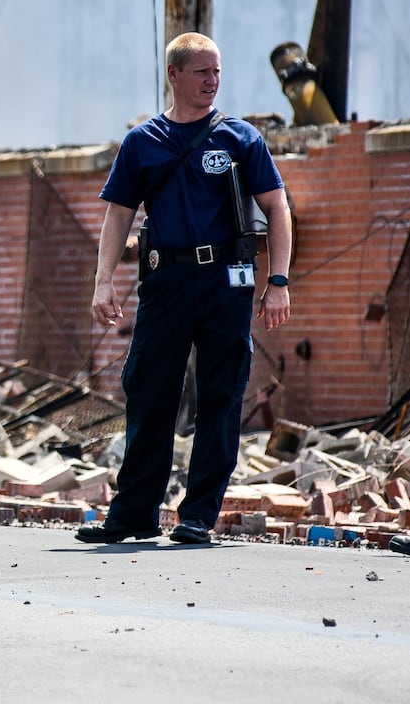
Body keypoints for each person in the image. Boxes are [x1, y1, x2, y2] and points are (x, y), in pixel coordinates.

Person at [76, 31, 292, 546]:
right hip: (165, 281)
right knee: (150, 393)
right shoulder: (142, 142)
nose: (212, 81)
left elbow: (278, 208)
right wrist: (102, 280)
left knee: (221, 395)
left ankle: (198, 516)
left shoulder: (240, 138)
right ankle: (133, 515)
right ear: (173, 74)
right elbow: (118, 214)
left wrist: (279, 280)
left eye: (217, 71)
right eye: (201, 72)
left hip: (226, 283)